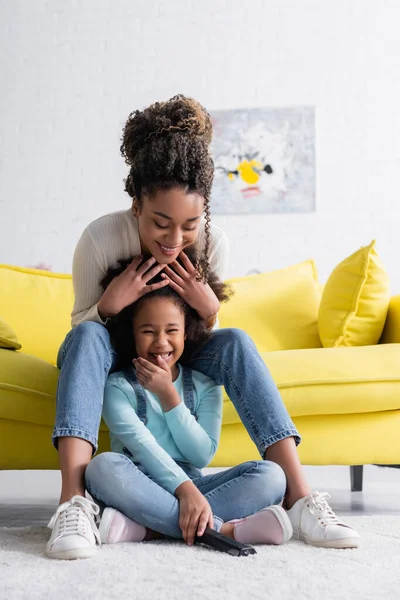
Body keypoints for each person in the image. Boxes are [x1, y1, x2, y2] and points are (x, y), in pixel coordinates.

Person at [46, 94, 359, 560]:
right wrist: (108, 307)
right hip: (111, 348)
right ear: (136, 206)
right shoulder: (100, 238)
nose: (175, 242)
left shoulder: (214, 243)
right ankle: (75, 502)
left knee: (234, 341)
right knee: (88, 335)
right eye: (160, 223)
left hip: (175, 353)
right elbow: (78, 336)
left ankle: (296, 496)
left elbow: (198, 342)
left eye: (189, 226)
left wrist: (209, 310)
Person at [83, 259, 293, 550]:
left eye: (171, 331)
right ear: (132, 334)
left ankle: (146, 528)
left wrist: (169, 397)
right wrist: (184, 492)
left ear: (186, 333)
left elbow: (200, 455)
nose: (161, 342)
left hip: (194, 487)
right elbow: (143, 446)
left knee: (272, 475)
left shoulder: (206, 386)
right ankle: (225, 531)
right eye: (148, 331)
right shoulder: (118, 386)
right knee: (101, 467)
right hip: (138, 485)